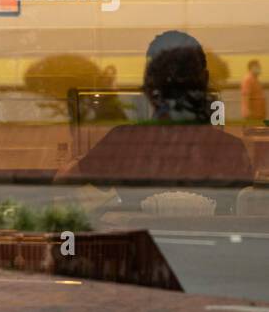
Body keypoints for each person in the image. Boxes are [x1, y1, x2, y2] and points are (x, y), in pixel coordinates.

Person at [56, 31, 253, 206]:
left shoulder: (122, 143)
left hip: (140, 246)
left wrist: (80, 160)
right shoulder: (232, 151)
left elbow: (62, 182)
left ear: (149, 86)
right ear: (205, 81)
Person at [242, 59, 266, 126]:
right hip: (252, 115)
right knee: (252, 133)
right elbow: (246, 95)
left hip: (258, 114)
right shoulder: (248, 79)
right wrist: (247, 111)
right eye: (257, 66)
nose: (259, 68)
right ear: (252, 68)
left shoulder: (255, 79)